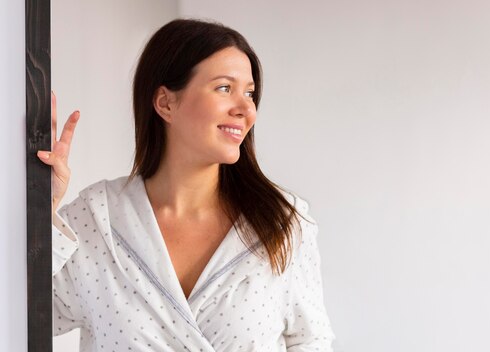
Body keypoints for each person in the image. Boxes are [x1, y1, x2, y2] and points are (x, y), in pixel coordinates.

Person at [39, 19, 335, 351]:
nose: (246, 109)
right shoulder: (97, 219)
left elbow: (311, 340)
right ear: (166, 103)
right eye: (225, 88)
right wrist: (39, 206)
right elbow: (26, 316)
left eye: (250, 93)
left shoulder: (283, 222)